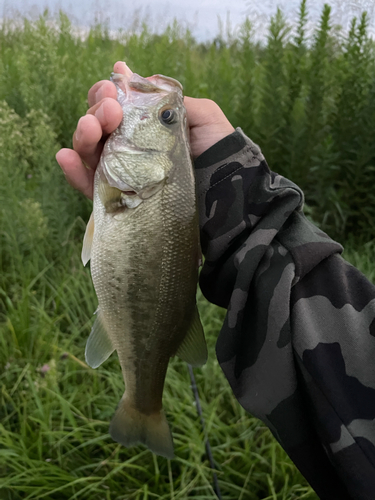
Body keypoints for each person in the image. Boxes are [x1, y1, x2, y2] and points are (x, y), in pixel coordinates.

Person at [56, 61, 375, 500]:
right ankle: (143, 404)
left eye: (169, 118)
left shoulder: (131, 184)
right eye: (171, 119)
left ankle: (141, 406)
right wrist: (240, 194)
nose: (169, 114)